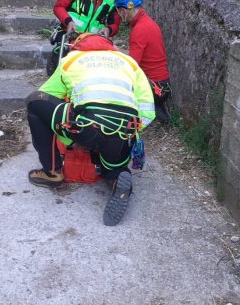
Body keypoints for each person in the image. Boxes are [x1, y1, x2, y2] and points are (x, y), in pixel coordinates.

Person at [26, 33, 155, 226]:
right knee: (112, 163)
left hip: (87, 127)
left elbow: (46, 95)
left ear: (77, 45)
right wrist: (129, 133)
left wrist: (69, 138)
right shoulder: (129, 62)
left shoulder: (72, 59)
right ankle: (117, 178)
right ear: (110, 47)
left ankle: (53, 172)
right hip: (123, 131)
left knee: (35, 102)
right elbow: (147, 110)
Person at [45, 0, 122, 75]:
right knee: (60, 60)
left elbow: (115, 24)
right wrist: (68, 21)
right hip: (70, 34)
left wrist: (108, 29)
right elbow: (58, 7)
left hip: (93, 39)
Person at [114, 0, 172, 124]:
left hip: (155, 86)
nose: (119, 14)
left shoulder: (139, 29)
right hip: (162, 84)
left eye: (118, 11)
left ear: (123, 10)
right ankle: (157, 108)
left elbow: (132, 65)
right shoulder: (147, 22)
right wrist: (116, 50)